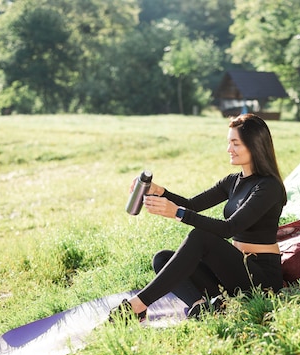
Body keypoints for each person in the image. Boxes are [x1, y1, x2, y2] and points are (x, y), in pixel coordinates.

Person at [110, 113, 287, 322]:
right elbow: (193, 204)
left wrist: (177, 213)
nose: (229, 149)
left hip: (261, 278)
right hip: (233, 271)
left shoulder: (269, 187)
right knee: (162, 258)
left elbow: (229, 228)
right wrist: (161, 192)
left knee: (201, 237)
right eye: (229, 142)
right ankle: (200, 305)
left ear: (255, 145)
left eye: (235, 143)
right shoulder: (233, 181)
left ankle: (138, 306)